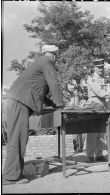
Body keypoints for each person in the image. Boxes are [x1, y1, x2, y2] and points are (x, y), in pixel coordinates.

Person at [3, 45, 64, 185]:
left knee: (17, 138)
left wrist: (54, 104)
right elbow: (54, 84)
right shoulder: (47, 62)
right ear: (54, 55)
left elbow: (41, 93)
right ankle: (10, 177)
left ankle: (12, 174)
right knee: (18, 139)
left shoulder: (39, 63)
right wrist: (60, 104)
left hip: (16, 100)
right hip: (20, 101)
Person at [86, 58, 110, 163]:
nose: (101, 69)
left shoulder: (103, 79)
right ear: (94, 68)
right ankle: (90, 156)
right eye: (98, 68)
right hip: (94, 107)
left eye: (102, 68)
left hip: (102, 107)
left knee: (101, 132)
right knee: (92, 132)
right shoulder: (91, 79)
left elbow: (107, 92)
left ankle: (99, 154)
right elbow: (100, 93)